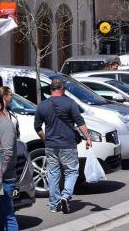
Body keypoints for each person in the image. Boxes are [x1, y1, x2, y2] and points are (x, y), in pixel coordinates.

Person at [34, 77, 93, 214]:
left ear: (51, 89)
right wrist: (88, 138)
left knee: (53, 174)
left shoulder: (42, 105)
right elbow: (80, 123)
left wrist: (45, 139)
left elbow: (37, 126)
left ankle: (54, 204)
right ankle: (66, 196)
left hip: (51, 145)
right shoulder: (70, 103)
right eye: (64, 88)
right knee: (71, 171)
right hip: (68, 144)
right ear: (61, 89)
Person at [0, 89, 19, 231]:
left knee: (7, 216)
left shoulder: (5, 126)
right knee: (0, 217)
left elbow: (7, 153)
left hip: (4, 180)